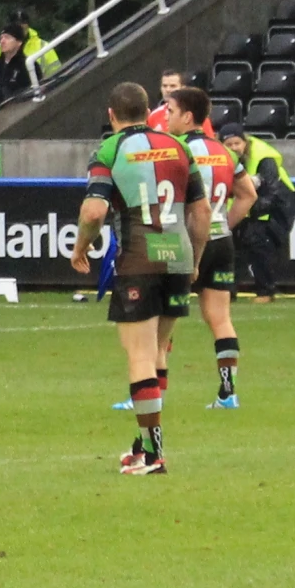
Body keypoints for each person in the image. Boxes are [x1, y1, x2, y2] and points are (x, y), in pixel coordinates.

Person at [71, 82, 208, 477]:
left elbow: (94, 212)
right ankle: (143, 445)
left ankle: (153, 455)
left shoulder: (110, 150)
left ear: (111, 115)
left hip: (139, 260)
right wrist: (194, 260)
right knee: (159, 353)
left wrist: (81, 247)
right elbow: (201, 214)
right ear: (150, 112)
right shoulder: (179, 147)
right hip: (178, 258)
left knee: (140, 357)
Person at [166, 87, 253, 411]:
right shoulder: (224, 152)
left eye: (171, 111)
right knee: (220, 318)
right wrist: (223, 224)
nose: (166, 117)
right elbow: (247, 195)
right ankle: (228, 393)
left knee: (163, 316)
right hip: (221, 240)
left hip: (185, 240)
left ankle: (150, 393)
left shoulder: (174, 150)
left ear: (188, 117)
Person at [218, 121, 295, 301]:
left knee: (259, 242)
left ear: (245, 142)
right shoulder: (222, 159)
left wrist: (250, 213)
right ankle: (228, 292)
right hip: (249, 206)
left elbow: (272, 192)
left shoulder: (263, 158)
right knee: (230, 246)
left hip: (277, 205)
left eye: (237, 143)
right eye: (229, 145)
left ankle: (266, 291)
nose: (234, 148)